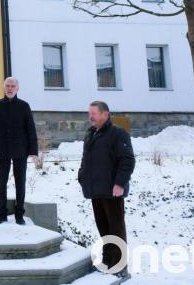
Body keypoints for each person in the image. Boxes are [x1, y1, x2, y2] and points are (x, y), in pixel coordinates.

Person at [78, 101, 135, 279]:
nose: (91, 116)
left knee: (116, 228)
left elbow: (127, 160)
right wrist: (82, 176)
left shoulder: (117, 133)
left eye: (94, 113)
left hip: (112, 190)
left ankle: (120, 266)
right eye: (90, 113)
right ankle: (108, 261)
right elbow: (85, 159)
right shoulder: (90, 134)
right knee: (103, 228)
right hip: (96, 189)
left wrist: (119, 183)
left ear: (105, 114)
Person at [0, 77, 39, 225]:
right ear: (4, 88)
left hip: (20, 150)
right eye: (7, 86)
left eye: (12, 86)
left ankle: (19, 215)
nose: (10, 88)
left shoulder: (24, 106)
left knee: (20, 182)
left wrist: (33, 151)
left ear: (17, 88)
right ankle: (2, 214)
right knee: (1, 182)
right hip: (2, 150)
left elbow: (31, 130)